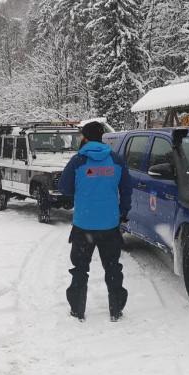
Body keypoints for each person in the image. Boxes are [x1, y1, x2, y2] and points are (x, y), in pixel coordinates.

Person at [58, 121, 132, 322]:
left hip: (84, 225)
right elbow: (126, 189)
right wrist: (123, 211)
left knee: (80, 268)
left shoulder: (78, 160)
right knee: (113, 267)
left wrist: (83, 189)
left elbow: (64, 187)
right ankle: (116, 309)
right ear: (102, 137)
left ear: (85, 137)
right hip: (109, 225)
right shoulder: (116, 160)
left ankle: (77, 310)